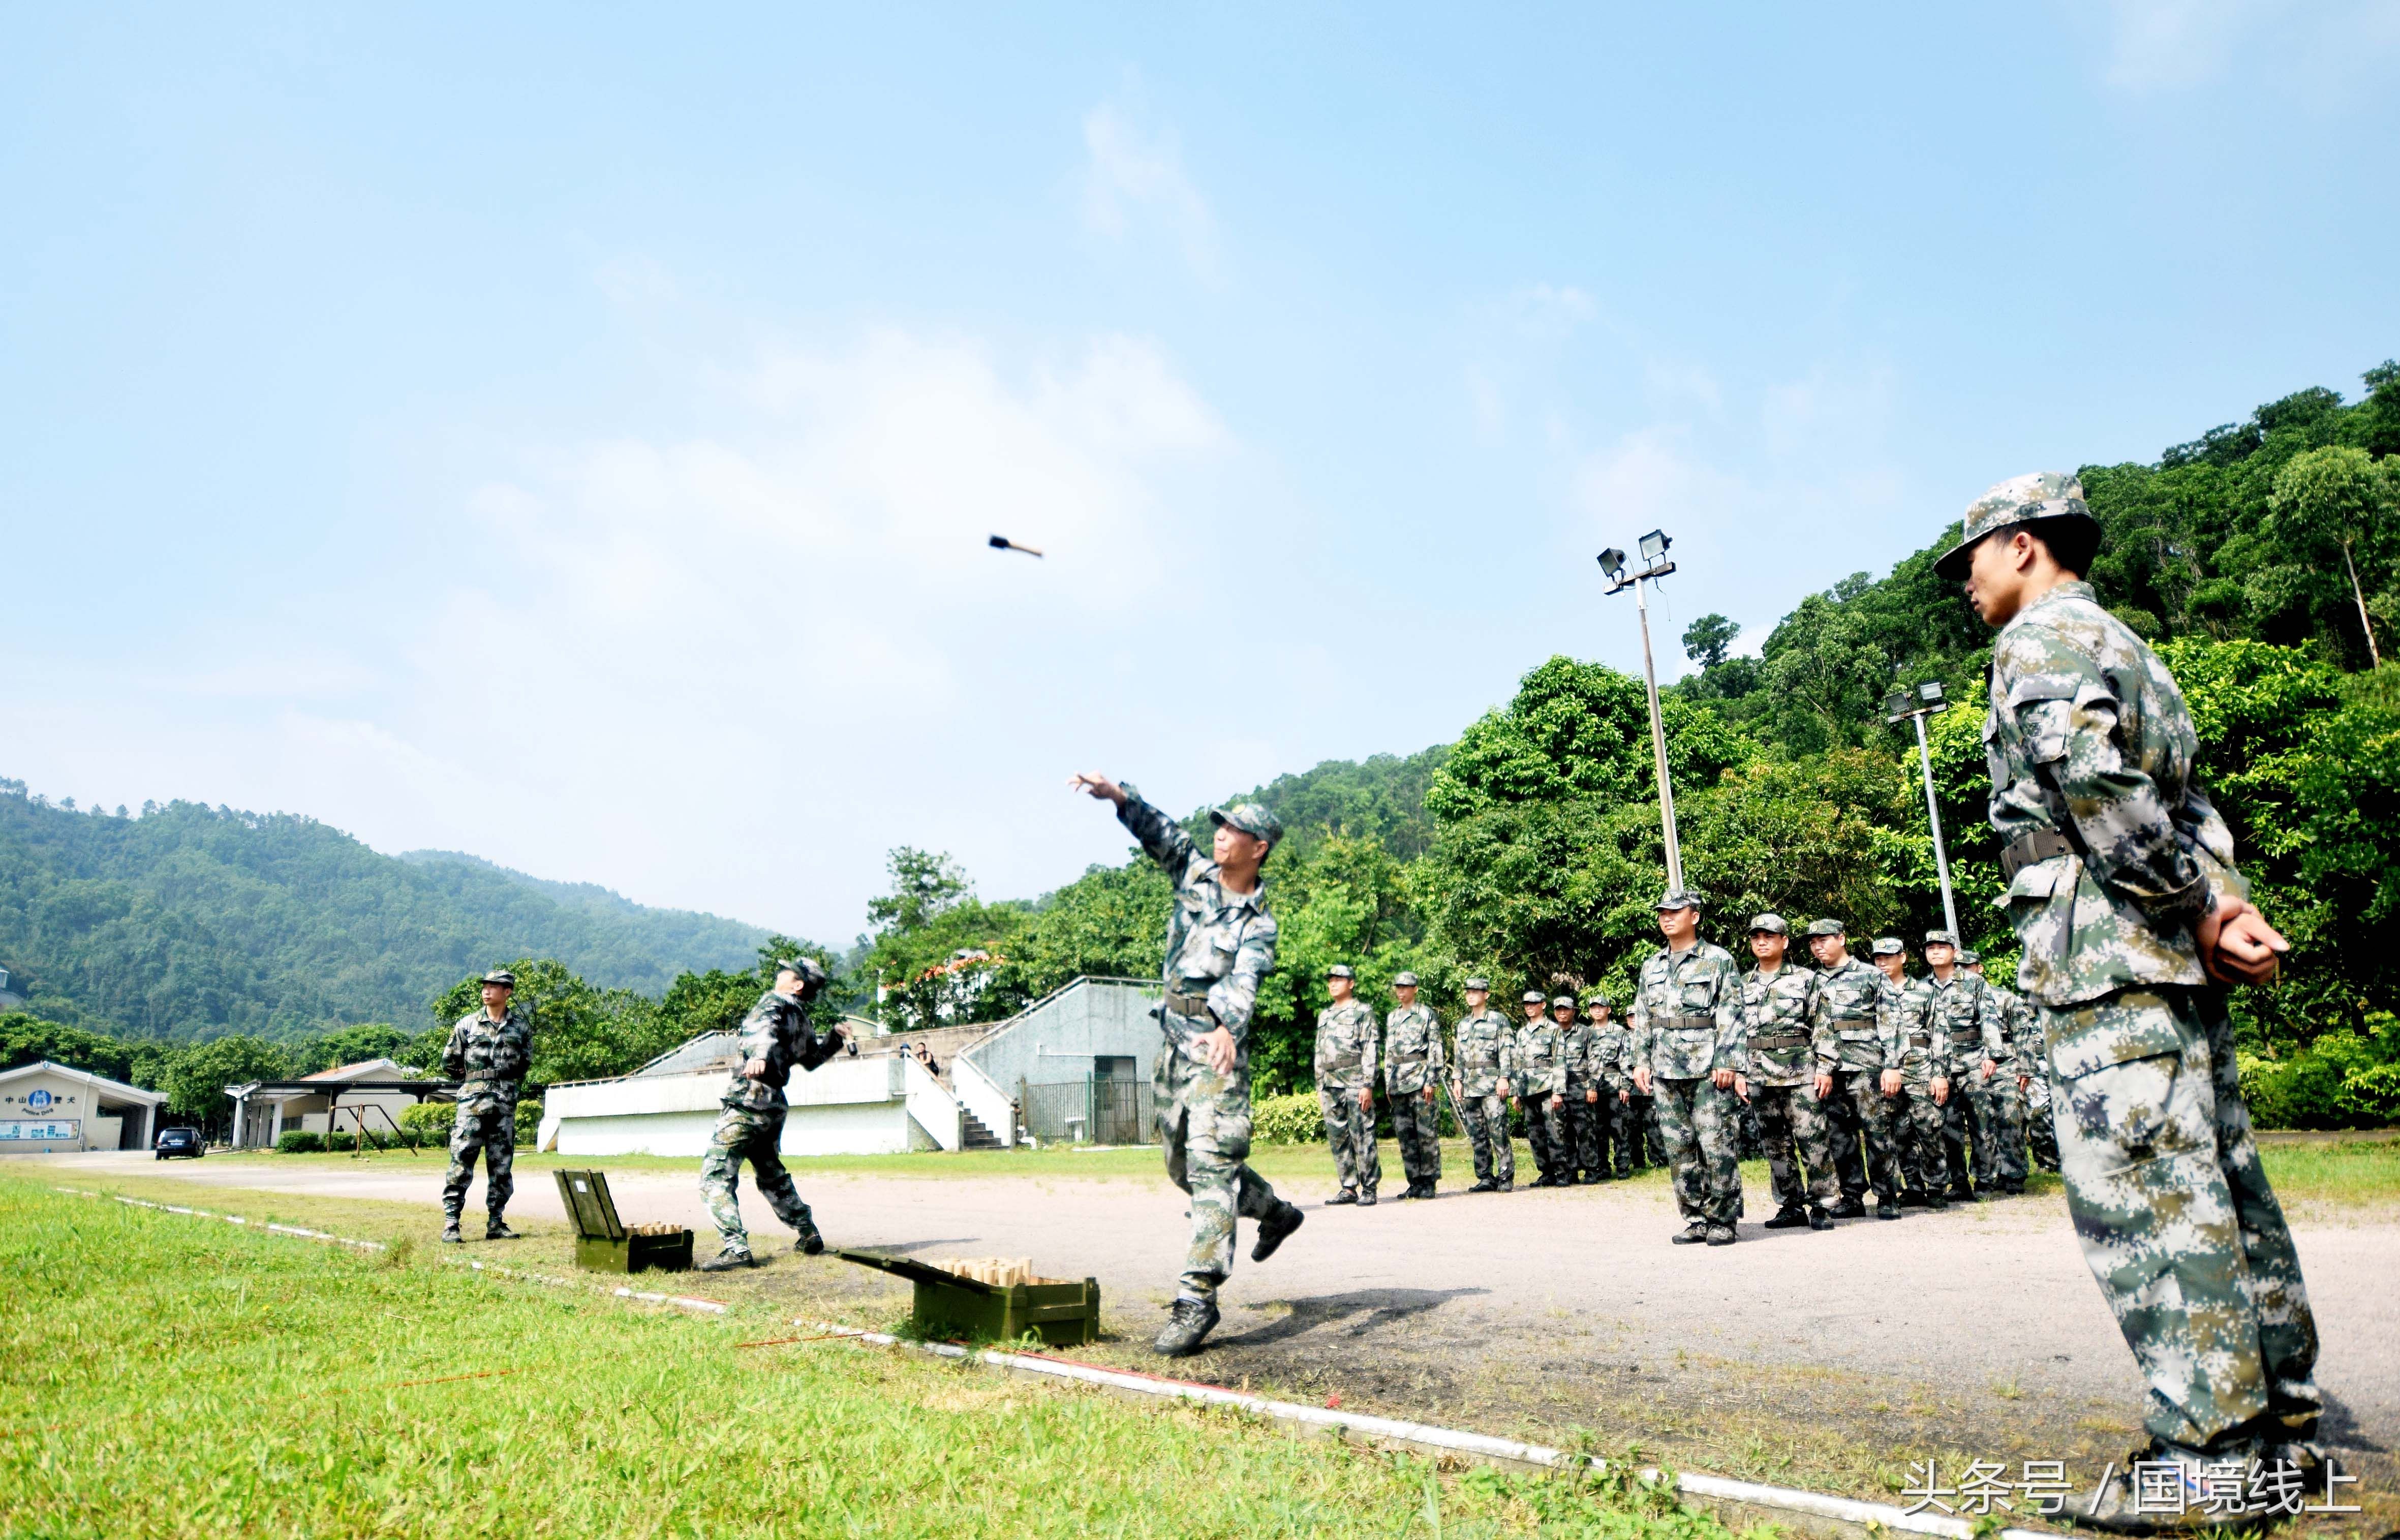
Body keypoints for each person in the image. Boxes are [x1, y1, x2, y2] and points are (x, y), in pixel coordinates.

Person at [1945, 473, 2320, 1524]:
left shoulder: (2038, 643)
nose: (1963, 585)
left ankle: (2211, 1459)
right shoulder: (2130, 646)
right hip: (2170, 959)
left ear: (2021, 547)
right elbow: (2188, 802)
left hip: (2109, 959)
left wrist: (2195, 909)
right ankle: (2279, 1428)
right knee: (2223, 1190)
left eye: (1970, 559)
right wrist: (2223, 908)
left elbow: (2097, 787)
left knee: (2152, 1205)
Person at [1069, 773, 1304, 1357]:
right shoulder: (1197, 874)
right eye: (1221, 827)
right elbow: (1162, 836)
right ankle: (1274, 1211)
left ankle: (1196, 1298)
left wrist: (1228, 1026)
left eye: (1235, 830)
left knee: (1210, 1168)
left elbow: (1246, 980)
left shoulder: (1259, 923)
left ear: (1260, 847)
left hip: (1215, 1053)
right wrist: (1122, 798)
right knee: (1183, 1167)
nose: (1222, 835)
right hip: (1171, 1044)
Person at [697, 958, 848, 1270]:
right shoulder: (802, 1019)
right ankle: (808, 1233)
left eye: (788, 972)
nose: (780, 973)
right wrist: (835, 1038)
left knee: (715, 1175)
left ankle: (736, 1248)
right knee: (771, 1175)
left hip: (748, 1099)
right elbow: (812, 1059)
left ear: (798, 985)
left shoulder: (773, 1002)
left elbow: (762, 1030)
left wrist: (759, 1055)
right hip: (774, 1106)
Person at [1628, 889, 1745, 1245]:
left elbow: (1732, 1014)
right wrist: (1641, 1062)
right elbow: (1644, 1017)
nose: (1667, 918)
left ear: (1694, 917)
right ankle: (1695, 1218)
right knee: (1679, 1148)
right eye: (1663, 912)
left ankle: (1722, 1218)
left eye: (1675, 912)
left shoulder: (1718, 960)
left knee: (1716, 1143)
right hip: (1665, 1069)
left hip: (1707, 1067)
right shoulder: (1652, 965)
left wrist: (1728, 1061)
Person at [1738, 915, 1837, 1231]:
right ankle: (1790, 1204)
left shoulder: (1807, 979)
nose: (1762, 942)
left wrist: (1825, 1068)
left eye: (1770, 936)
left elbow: (1823, 1026)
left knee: (1813, 1140)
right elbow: (1733, 1033)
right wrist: (1739, 1072)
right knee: (1775, 1145)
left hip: (1801, 1073)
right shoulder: (1742, 985)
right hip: (1758, 1074)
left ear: (1785, 942)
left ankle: (1823, 1205)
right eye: (1756, 937)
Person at [1922, 931, 2024, 1199]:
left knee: (1982, 1124)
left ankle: (1985, 1181)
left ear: (1954, 953)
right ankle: (1958, 1183)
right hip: (1940, 1067)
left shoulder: (1974, 983)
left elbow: (1989, 1019)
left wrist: (1992, 1055)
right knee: (1948, 1127)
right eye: (1930, 948)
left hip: (1974, 1062)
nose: (1936, 952)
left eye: (1942, 947)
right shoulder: (1922, 988)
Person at [439, 969, 534, 1244]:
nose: (487, 990)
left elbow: (524, 1063)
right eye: (485, 986)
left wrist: (502, 1084)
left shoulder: (520, 1028)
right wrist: (473, 1081)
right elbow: (449, 1062)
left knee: (501, 1167)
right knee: (461, 1163)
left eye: (495, 986)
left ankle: (496, 1222)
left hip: (504, 1105)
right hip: (471, 1104)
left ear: (508, 992)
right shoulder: (467, 1025)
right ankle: (452, 1224)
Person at [1804, 920, 1892, 1219]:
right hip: (1828, 1072)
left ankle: (1887, 1196)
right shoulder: (1812, 981)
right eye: (1813, 942)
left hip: (1867, 1067)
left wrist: (1893, 1066)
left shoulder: (1871, 975)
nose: (1818, 946)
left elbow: (1891, 1023)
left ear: (1842, 939)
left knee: (1877, 1132)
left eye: (1824, 940)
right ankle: (1852, 1196)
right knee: (1839, 1137)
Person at [1868, 938, 1950, 1209]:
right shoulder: (1871, 992)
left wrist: (1940, 1073)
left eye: (1889, 957)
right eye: (1878, 958)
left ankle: (1937, 1186)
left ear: (1903, 958)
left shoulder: (1925, 992)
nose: (1882, 963)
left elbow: (1939, 1034)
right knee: (1897, 1131)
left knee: (1928, 1128)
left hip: (1921, 1068)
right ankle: (1913, 1186)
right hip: (1883, 1071)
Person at [1968, 950, 2057, 1174]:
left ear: (1980, 968)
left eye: (1969, 967)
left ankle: (2032, 1167)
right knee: (1983, 1122)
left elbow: (2021, 1035)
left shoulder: (2005, 998)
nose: (1965, 972)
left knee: (2016, 1118)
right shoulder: (1957, 1000)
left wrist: (2025, 1068)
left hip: (2009, 1065)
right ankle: (1989, 1172)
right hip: (1973, 1065)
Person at [1315, 965, 1382, 1206]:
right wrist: (1320, 1083)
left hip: (1355, 1082)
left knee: (1362, 1134)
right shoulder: (1325, 1015)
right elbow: (1319, 1051)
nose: (1333, 984)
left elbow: (1370, 1048)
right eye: (1331, 981)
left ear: (1351, 984)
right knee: (1338, 1137)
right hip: (1330, 1084)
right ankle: (1348, 1186)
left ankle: (1370, 1187)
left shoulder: (1363, 1012)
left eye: (1339, 980)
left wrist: (1368, 1084)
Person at [1382, 972, 1445, 1200]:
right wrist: (1388, 1083)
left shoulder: (1426, 1014)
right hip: (1399, 1083)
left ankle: (1429, 1181)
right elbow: (1389, 1052)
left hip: (1420, 1080)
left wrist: (1432, 1081)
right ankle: (1414, 1182)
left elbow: (1436, 1049)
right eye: (1398, 987)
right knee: (1405, 1136)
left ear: (1415, 989)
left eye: (1405, 987)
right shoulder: (1392, 1018)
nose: (1401, 991)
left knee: (1426, 1134)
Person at [1451, 978, 1516, 1193]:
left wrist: (1505, 1077)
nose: (1471, 995)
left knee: (1498, 1132)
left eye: (1476, 992)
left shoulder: (1498, 1020)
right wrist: (1457, 1079)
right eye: (1468, 992)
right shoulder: (1463, 1025)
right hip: (1470, 1085)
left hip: (1491, 1084)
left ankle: (1505, 1176)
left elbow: (1506, 1050)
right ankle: (1486, 1177)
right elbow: (1458, 1055)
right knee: (1477, 1134)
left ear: (1486, 995)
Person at [1509, 991, 1568, 1187]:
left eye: (1533, 1004)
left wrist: (1558, 1091)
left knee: (1554, 1131)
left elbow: (1560, 1061)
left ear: (1543, 1005)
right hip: (1528, 1089)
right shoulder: (1522, 1033)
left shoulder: (1553, 1029)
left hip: (1547, 1087)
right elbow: (1517, 1064)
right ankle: (1545, 1173)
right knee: (1535, 1134)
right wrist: (1515, 1092)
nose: (1529, 1007)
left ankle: (1561, 1172)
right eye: (1526, 1004)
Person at [1583, 993, 1638, 1179]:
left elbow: (1626, 1061)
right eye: (1593, 1007)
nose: (1597, 1010)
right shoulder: (1586, 1033)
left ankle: (1623, 1166)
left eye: (1601, 1007)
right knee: (1597, 1130)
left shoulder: (1618, 1032)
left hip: (1614, 1085)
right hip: (1594, 1088)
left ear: (1609, 1010)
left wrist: (1625, 1086)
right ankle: (1602, 1167)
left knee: (1619, 1128)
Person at [1559, 992, 1605, 1184]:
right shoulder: (1553, 1033)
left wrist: (1593, 1087)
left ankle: (1591, 1170)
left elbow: (1596, 1061)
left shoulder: (1587, 1033)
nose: (1562, 1013)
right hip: (1560, 1090)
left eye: (1566, 1009)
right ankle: (1571, 1171)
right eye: (1559, 1010)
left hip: (1582, 1090)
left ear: (1574, 1011)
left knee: (1586, 1132)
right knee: (1565, 1133)